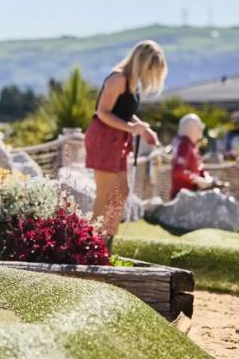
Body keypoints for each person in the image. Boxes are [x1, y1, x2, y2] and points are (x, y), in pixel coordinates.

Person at [84, 40, 167, 246]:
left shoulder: (132, 81)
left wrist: (144, 129)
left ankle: (107, 241)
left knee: (121, 193)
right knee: (105, 194)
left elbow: (124, 112)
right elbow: (102, 113)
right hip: (104, 138)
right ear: (142, 63)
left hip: (118, 138)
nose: (151, 76)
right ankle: (90, 244)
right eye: (151, 70)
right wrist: (131, 129)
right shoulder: (118, 79)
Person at [170, 113, 228, 199]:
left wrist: (208, 178)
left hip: (192, 194)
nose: (201, 129)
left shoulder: (193, 146)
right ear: (190, 129)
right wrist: (196, 179)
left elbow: (199, 169)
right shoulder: (184, 146)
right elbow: (178, 171)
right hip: (183, 197)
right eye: (198, 127)